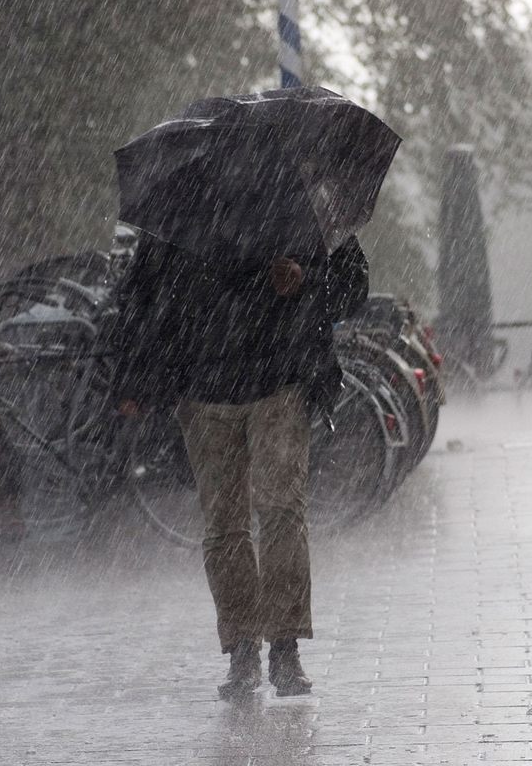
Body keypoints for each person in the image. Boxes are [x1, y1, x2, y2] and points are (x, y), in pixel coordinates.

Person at [110, 223, 368, 699]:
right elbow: (143, 296)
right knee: (225, 524)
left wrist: (306, 279)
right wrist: (133, 379)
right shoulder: (181, 207)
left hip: (281, 381)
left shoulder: (297, 199)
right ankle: (243, 649)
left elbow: (353, 284)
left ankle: (285, 649)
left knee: (281, 513)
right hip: (203, 389)